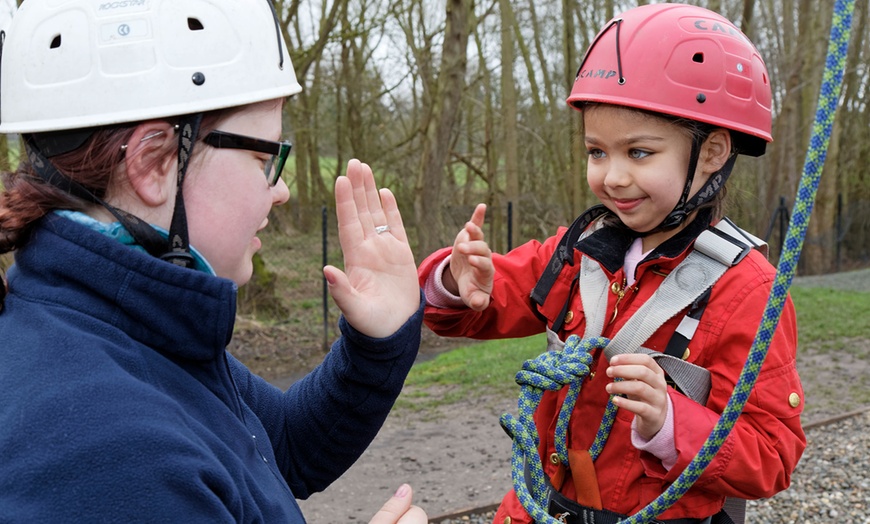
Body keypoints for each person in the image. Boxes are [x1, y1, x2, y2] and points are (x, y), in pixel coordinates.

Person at [0, 1, 426, 522]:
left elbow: (280, 447)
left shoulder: (120, 319)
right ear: (153, 162)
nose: (282, 189)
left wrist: (378, 344)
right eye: (263, 158)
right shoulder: (107, 451)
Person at [418, 4, 805, 523]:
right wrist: (454, 282)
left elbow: (772, 457)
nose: (613, 177)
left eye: (639, 153)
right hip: (539, 509)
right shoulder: (583, 252)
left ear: (712, 152)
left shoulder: (748, 292)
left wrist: (670, 421)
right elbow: (466, 312)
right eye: (597, 152)